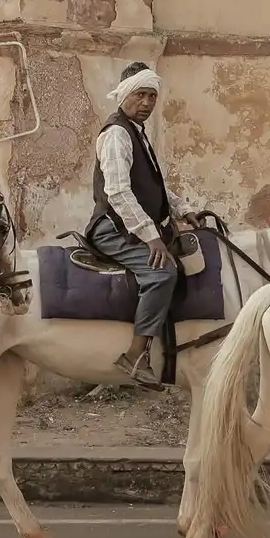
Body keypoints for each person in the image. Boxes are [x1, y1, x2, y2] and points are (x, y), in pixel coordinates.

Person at [87, 61, 198, 388]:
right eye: (140, 95)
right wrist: (151, 237)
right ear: (124, 95)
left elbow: (153, 184)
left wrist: (181, 209)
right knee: (163, 271)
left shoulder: (137, 134)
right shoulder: (117, 135)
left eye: (152, 96)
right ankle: (135, 355)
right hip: (111, 229)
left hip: (130, 227)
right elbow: (118, 192)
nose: (147, 102)